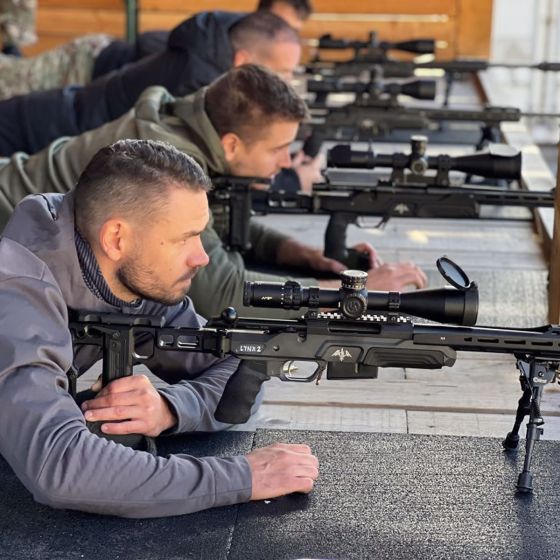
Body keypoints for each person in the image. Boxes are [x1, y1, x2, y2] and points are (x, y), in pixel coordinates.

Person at [0, 138, 319, 518]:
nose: (201, 257)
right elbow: (59, 467)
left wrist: (169, 408)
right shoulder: (16, 290)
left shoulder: (131, 274)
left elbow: (239, 373)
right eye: (185, 238)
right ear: (116, 238)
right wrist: (244, 476)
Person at [0, 64, 426, 319]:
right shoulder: (171, 165)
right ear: (232, 146)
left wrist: (306, 257)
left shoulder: (198, 125)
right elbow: (214, 293)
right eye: (278, 149)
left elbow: (216, 230)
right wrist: (349, 293)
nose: (286, 162)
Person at [0, 10, 303, 158]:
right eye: (282, 71)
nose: (286, 82)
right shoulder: (200, 82)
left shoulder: (215, 42)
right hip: (41, 126)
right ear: (242, 60)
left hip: (61, 117)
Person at [0, 0, 312, 101]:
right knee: (9, 82)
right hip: (90, 63)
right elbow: (150, 44)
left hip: (95, 67)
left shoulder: (225, 35)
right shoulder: (216, 48)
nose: (286, 37)